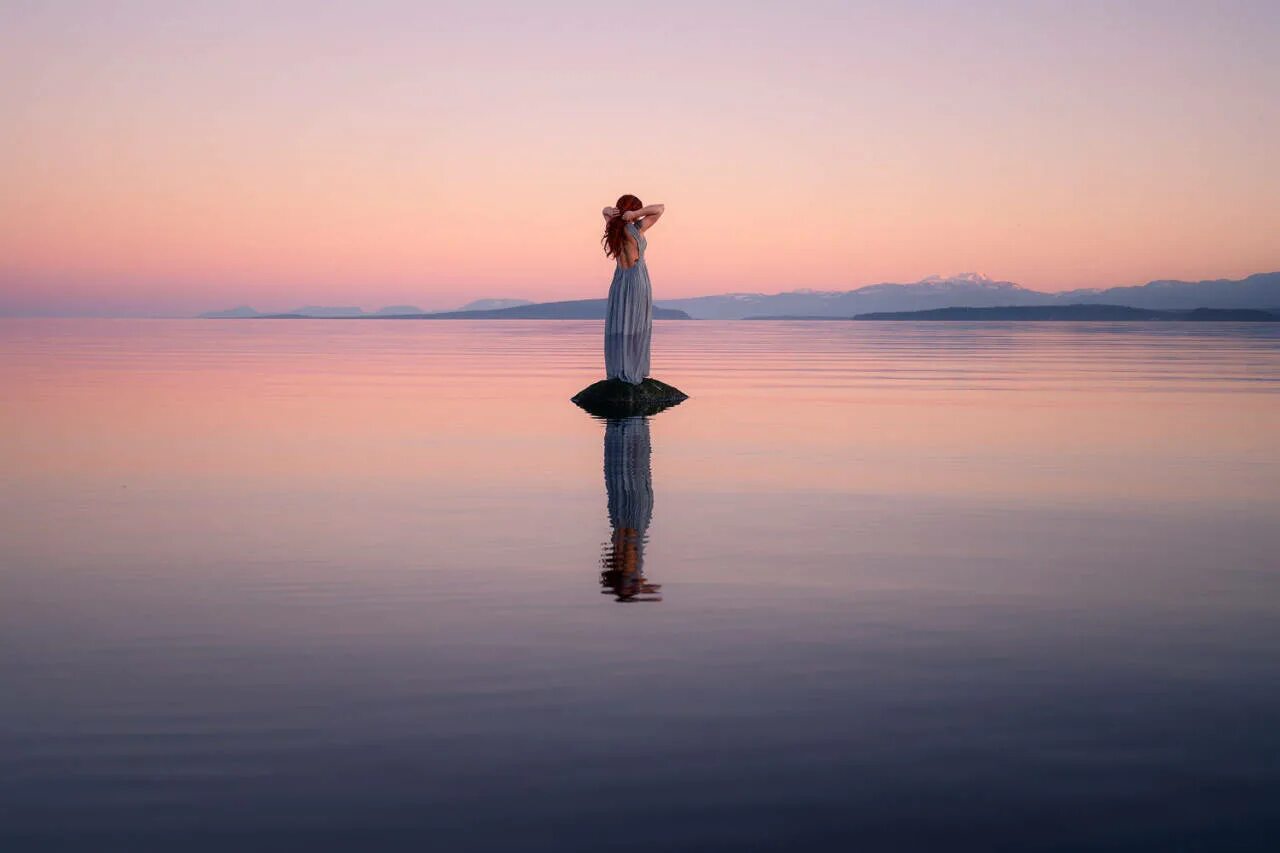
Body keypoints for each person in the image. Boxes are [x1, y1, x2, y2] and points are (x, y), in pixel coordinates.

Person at [600, 195, 665, 384]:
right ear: (631, 209)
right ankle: (633, 369)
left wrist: (609, 210)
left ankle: (620, 368)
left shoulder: (613, 228)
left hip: (620, 280)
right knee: (636, 322)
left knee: (621, 322)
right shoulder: (636, 228)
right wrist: (636, 213)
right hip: (636, 278)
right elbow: (660, 208)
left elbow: (604, 212)